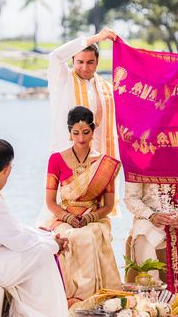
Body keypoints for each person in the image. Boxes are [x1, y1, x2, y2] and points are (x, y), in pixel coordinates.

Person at [38, 106, 121, 305]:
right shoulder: (56, 159)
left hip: (94, 217)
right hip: (63, 216)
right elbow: (50, 202)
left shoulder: (103, 164)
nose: (81, 138)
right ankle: (69, 296)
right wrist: (68, 218)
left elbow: (108, 206)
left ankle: (91, 296)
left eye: (86, 132)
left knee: (88, 235)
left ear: (93, 131)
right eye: (75, 133)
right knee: (69, 235)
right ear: (69, 133)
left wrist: (88, 218)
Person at [0, 139, 69, 317]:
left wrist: (48, 238)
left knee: (39, 251)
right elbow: (17, 240)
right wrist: (54, 245)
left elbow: (12, 228)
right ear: (7, 169)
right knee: (42, 253)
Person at [124, 182, 178, 308]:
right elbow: (131, 198)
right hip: (151, 219)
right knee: (142, 237)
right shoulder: (141, 162)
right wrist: (151, 215)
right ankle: (155, 292)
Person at [48, 27, 118, 157]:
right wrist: (96, 38)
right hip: (69, 162)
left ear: (97, 63)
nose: (85, 68)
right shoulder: (63, 81)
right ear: (72, 61)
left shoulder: (107, 89)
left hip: (102, 162)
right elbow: (55, 56)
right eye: (80, 62)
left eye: (90, 62)